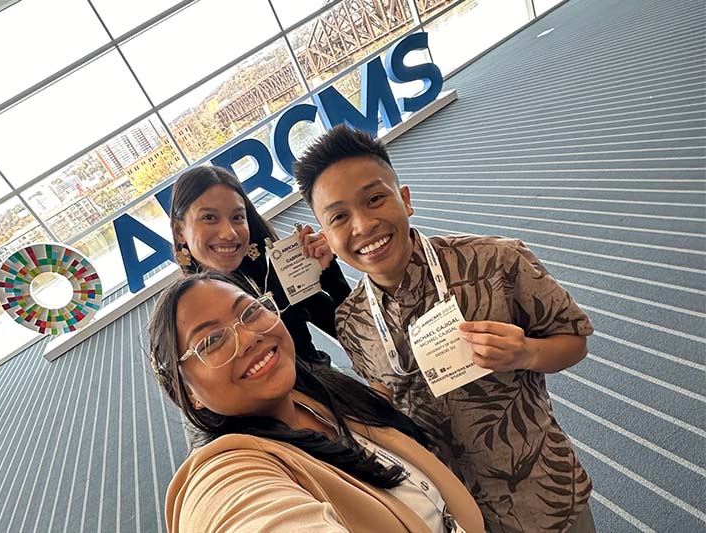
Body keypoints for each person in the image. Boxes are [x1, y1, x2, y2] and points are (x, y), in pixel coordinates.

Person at [293, 125, 596, 533]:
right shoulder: (352, 321)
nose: (363, 225)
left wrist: (528, 352)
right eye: (339, 217)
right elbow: (389, 400)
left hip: (542, 493)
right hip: (452, 516)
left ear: (405, 200)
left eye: (375, 199)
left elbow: (575, 340)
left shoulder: (496, 262)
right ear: (328, 236)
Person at [148, 271, 485, 532]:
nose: (249, 337)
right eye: (212, 341)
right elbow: (242, 512)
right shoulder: (224, 474)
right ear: (188, 392)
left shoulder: (319, 392)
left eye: (249, 312)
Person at [168, 164, 351, 368]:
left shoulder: (272, 273)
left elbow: (354, 332)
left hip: (330, 389)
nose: (229, 233)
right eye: (209, 218)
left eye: (237, 217)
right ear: (179, 231)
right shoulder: (184, 318)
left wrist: (327, 272)